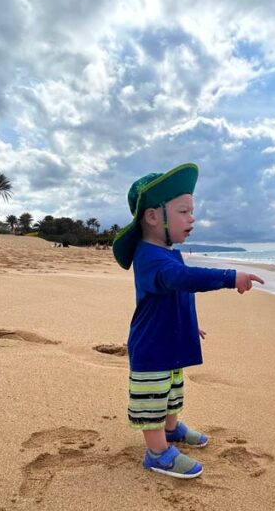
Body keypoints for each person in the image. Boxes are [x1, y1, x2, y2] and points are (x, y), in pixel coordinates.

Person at [112, 162, 264, 479]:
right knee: (152, 400)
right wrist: (229, 276)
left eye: (191, 211)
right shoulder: (149, 257)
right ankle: (156, 452)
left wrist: (189, 325)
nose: (191, 218)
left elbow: (173, 296)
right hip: (152, 345)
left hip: (169, 340)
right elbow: (181, 279)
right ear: (152, 216)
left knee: (172, 392)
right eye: (183, 211)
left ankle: (172, 430)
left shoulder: (167, 253)